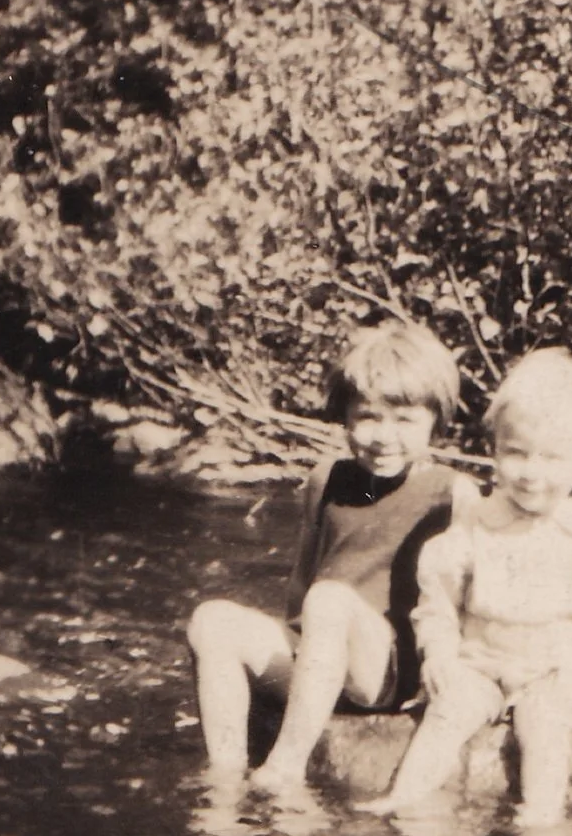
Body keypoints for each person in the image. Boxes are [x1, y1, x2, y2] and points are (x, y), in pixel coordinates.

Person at [185, 323, 475, 801]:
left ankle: (286, 766)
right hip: (319, 659)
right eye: (367, 417)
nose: (384, 437)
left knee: (330, 600)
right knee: (211, 619)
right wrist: (296, 656)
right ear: (344, 416)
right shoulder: (326, 479)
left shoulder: (451, 492)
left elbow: (466, 595)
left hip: (384, 672)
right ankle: (225, 773)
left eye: (404, 421)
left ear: (436, 421)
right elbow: (303, 579)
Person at [355, 349, 572, 828]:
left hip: (553, 671)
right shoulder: (476, 523)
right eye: (516, 452)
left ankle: (540, 811)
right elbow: (438, 599)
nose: (531, 472)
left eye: (551, 458)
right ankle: (405, 794)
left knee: (543, 718)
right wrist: (440, 655)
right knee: (449, 708)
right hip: (482, 663)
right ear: (494, 449)